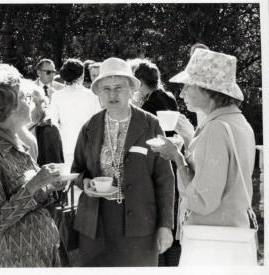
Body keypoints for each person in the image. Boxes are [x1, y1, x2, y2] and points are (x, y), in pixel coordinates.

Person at [149, 49, 256, 262]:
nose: (181, 94)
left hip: (212, 242)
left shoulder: (216, 128)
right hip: (232, 235)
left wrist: (177, 157)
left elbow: (202, 201)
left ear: (208, 89)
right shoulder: (238, 122)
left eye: (188, 86)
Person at [71, 57, 175, 267]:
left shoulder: (149, 124)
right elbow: (77, 170)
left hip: (139, 227)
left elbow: (165, 178)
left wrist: (165, 226)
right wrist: (85, 184)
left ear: (131, 89)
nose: (112, 94)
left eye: (119, 87)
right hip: (96, 225)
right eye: (106, 88)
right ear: (99, 93)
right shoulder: (90, 126)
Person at [0, 63, 66, 267]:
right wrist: (35, 183)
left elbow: (29, 195)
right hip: (20, 257)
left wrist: (50, 184)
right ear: (9, 108)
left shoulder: (16, 140)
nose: (29, 102)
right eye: (24, 98)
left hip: (42, 248)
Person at [130, 58, 180, 266]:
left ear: (140, 82)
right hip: (173, 158)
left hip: (158, 160)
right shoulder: (169, 97)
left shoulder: (149, 105)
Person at [48, 58, 101, 166]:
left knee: (70, 176)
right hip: (88, 144)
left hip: (66, 143)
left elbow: (53, 122)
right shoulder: (92, 95)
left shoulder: (56, 96)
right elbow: (98, 122)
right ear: (81, 75)